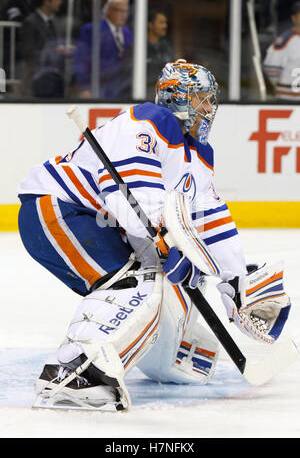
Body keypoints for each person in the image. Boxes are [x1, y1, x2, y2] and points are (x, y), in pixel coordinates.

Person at [17, 59, 291, 411]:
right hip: (57, 209)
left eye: (211, 99)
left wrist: (235, 282)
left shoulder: (198, 155)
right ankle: (74, 370)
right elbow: (129, 198)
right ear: (179, 99)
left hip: (90, 220)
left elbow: (211, 220)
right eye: (202, 99)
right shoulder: (149, 122)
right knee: (137, 279)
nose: (209, 109)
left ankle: (167, 356)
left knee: (158, 281)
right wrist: (164, 246)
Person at [73, 0, 133, 100]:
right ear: (109, 11)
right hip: (99, 89)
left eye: (126, 11)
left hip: (123, 90)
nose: (124, 15)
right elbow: (81, 60)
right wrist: (84, 87)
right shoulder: (91, 30)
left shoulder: (128, 33)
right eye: (120, 11)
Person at [20, 0, 71, 97]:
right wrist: (53, 51)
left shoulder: (55, 23)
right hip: (37, 80)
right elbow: (28, 51)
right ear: (47, 1)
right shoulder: (31, 22)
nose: (60, 2)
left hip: (56, 80)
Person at [263, 0, 300, 100]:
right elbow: (271, 68)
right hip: (287, 99)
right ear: (294, 18)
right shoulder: (286, 39)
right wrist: (282, 86)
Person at [146, 8, 174, 100]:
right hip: (146, 98)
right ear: (150, 25)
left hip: (165, 97)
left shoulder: (166, 47)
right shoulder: (140, 48)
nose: (165, 26)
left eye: (165, 23)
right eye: (161, 22)